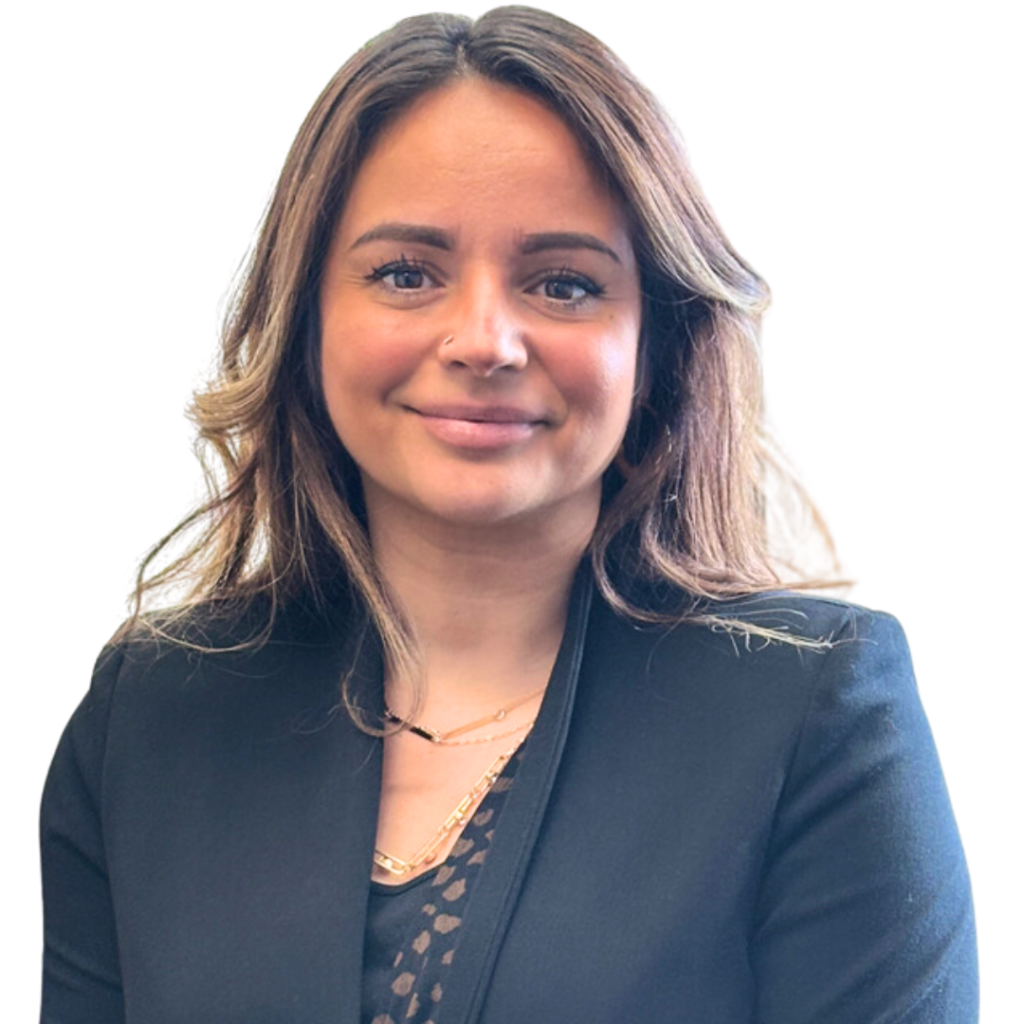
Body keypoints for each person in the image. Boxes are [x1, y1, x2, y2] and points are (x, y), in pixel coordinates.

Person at [39, 7, 977, 1023]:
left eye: (564, 284)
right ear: (306, 317)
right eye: (406, 274)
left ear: (656, 344)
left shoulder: (812, 718)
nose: (483, 339)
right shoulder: (149, 722)